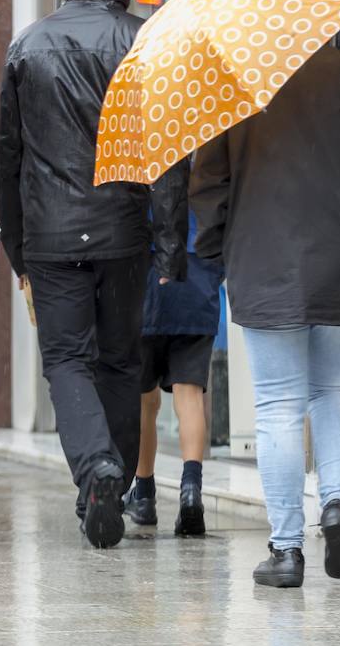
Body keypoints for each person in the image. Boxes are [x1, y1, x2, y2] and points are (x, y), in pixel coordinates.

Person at [191, 42, 340, 588]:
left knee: (277, 404)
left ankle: (287, 549)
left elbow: (208, 183)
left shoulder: (235, 80)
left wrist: (218, 249)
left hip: (265, 258)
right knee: (336, 389)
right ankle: (337, 504)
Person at [0, 0, 188, 549]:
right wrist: (169, 245)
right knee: (120, 360)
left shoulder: (28, 45)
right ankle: (114, 475)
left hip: (50, 235)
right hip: (123, 233)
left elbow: (9, 155)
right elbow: (166, 159)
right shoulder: (144, 41)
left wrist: (16, 246)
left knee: (65, 361)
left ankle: (96, 472)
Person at [123, 203, 224, 537]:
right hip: (197, 270)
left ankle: (145, 496)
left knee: (142, 400)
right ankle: (191, 491)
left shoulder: (133, 152)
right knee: (189, 392)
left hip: (144, 272)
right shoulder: (200, 151)